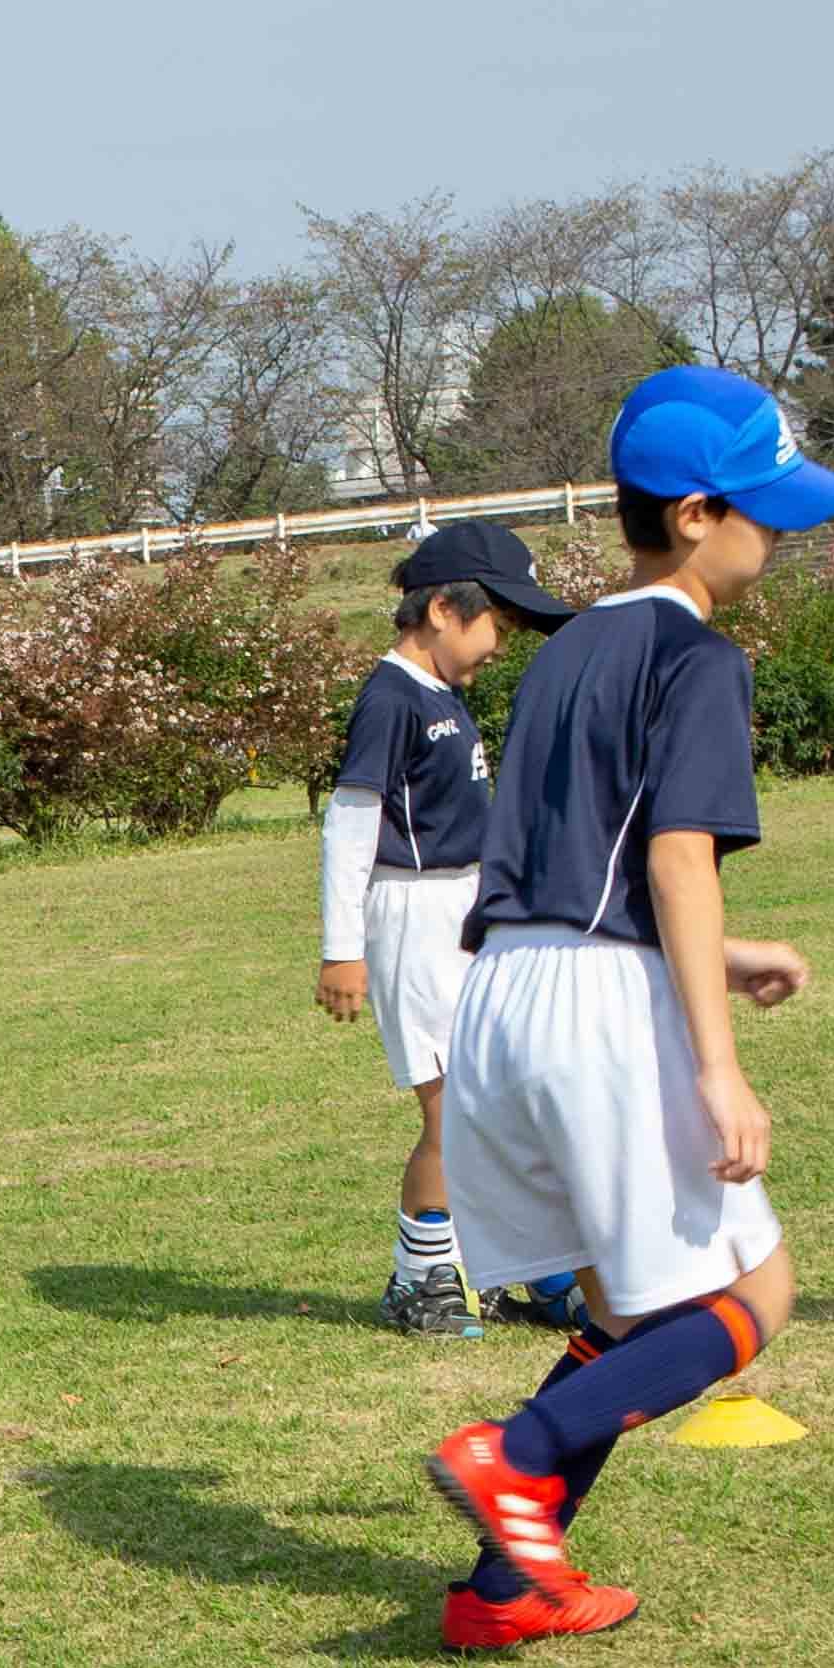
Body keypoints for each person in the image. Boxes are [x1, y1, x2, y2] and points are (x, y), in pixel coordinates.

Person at [414, 366, 829, 1653]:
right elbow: (672, 858)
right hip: (597, 1006)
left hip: (503, 995)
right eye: (763, 508)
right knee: (754, 1295)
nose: (782, 532)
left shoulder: (568, 646)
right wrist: (720, 1065)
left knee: (617, 1314)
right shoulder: (695, 655)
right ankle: (513, 1450)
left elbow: (574, 863)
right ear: (697, 514)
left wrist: (722, 954)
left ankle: (501, 1593)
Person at [317, 521, 565, 1335]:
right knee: (451, 1110)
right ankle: (420, 1280)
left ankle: (521, 1264)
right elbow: (351, 826)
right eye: (497, 622)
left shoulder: (443, 696)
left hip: (466, 909)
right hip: (413, 914)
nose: (502, 643)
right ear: (443, 613)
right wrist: (341, 950)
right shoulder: (389, 699)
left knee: (506, 1095)